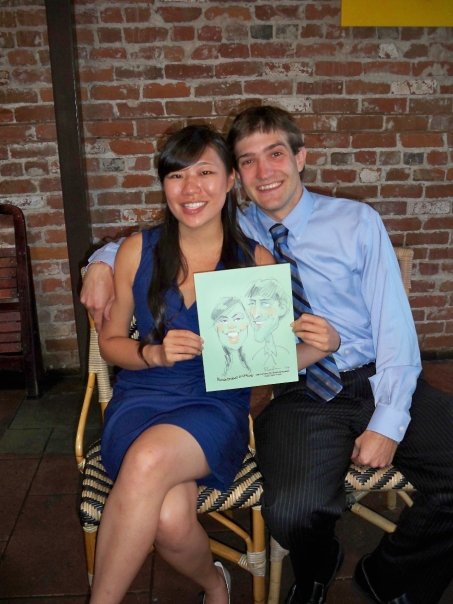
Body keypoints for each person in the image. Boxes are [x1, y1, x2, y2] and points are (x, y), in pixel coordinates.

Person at [81, 105, 453, 604]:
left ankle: (387, 575)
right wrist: (100, 263)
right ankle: (315, 566)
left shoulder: (353, 223)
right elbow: (164, 235)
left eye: (275, 154)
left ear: (300, 157)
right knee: (289, 511)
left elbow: (396, 330)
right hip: (298, 388)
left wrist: (387, 419)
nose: (264, 172)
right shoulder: (237, 227)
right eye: (248, 160)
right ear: (239, 176)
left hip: (373, 374)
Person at [85, 123, 340, 604]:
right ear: (164, 184)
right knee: (169, 518)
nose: (190, 188)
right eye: (176, 175)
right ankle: (214, 584)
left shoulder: (255, 262)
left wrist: (324, 346)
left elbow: (271, 360)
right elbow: (111, 342)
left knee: (148, 459)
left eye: (205, 172)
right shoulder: (137, 251)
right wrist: (151, 353)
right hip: (140, 400)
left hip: (214, 406)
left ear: (229, 181)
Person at [245, 278, 290, 370]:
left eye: (265, 304)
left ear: (282, 308)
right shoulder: (250, 356)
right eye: (252, 303)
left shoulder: (287, 351)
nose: (256, 314)